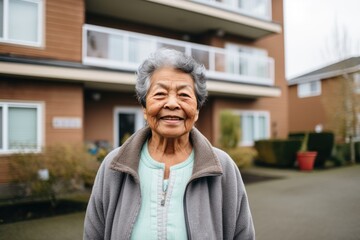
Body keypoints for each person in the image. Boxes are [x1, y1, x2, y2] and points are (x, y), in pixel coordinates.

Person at [83, 48, 255, 240]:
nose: (172, 103)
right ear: (145, 108)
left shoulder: (223, 168)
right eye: (160, 94)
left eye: (184, 95)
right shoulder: (113, 166)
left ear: (197, 110)